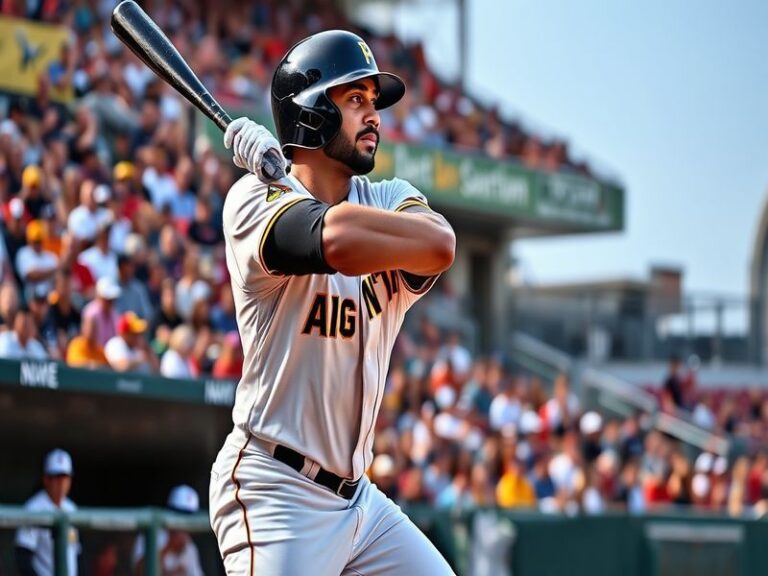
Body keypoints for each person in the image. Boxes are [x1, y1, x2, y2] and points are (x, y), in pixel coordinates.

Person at [208, 30, 456, 576]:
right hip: (276, 489)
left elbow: (440, 244)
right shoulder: (250, 201)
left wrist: (295, 191)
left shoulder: (389, 195)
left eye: (374, 101)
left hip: (360, 502)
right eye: (355, 100)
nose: (374, 116)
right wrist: (287, 191)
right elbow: (335, 242)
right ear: (312, 113)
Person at [15, 449, 80, 576]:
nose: (61, 483)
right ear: (46, 479)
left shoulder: (71, 508)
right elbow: (23, 556)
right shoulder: (33, 508)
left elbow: (78, 555)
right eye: (56, 478)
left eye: (65, 478)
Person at [132, 485, 205, 576]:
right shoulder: (150, 535)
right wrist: (169, 547)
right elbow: (139, 572)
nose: (184, 522)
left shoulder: (190, 547)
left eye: (188, 516)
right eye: (181, 514)